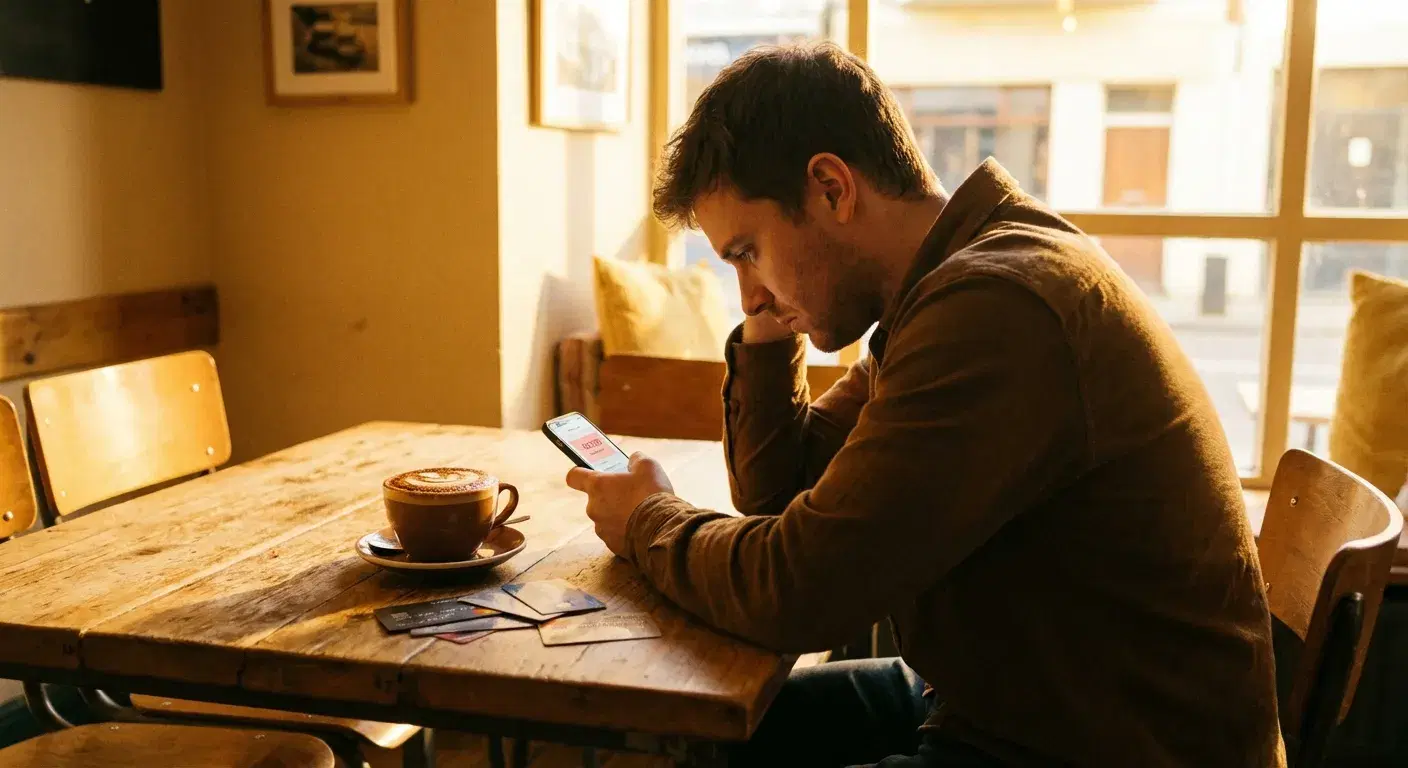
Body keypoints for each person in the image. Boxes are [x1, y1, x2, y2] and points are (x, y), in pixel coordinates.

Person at [564, 42, 1284, 767]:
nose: (745, 292)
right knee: (705, 734)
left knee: (696, 742)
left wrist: (648, 521)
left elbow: (801, 590)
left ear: (832, 189)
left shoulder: (996, 307)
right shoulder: (944, 286)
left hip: (1094, 745)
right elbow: (782, 495)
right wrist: (770, 307)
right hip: (1018, 701)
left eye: (746, 251)